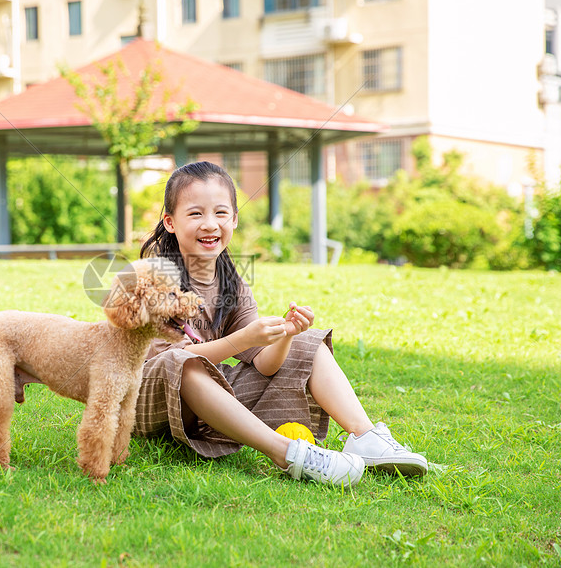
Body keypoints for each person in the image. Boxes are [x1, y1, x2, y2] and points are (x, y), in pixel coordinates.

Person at [132, 161, 427, 487]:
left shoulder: (231, 283)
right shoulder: (155, 278)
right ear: (170, 222)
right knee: (183, 362)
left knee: (307, 342)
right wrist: (241, 340)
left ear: (235, 219)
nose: (210, 224)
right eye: (195, 214)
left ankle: (365, 437)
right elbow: (165, 363)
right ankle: (286, 452)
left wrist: (287, 335)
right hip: (149, 401)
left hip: (206, 406)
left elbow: (265, 364)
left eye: (220, 213)